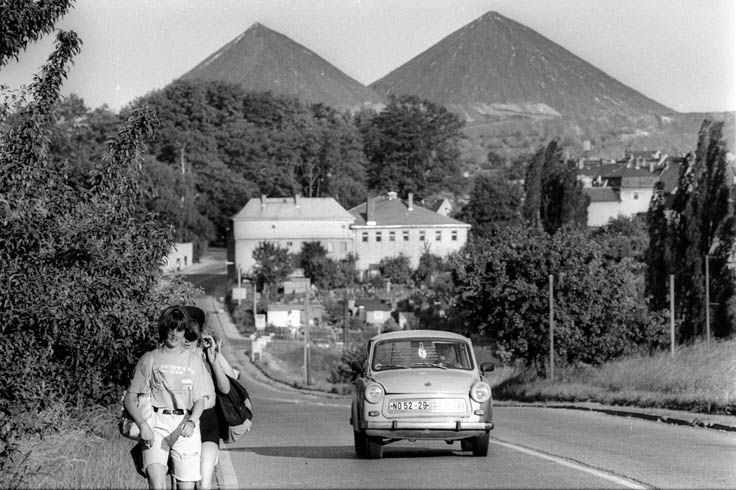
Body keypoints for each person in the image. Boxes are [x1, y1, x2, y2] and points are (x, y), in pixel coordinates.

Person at [124, 306, 214, 490]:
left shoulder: (194, 361)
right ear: (163, 328)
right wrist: (143, 425)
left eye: (179, 329)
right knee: (157, 485)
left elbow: (200, 399)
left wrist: (192, 421)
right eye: (171, 328)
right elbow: (130, 398)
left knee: (186, 486)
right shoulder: (150, 358)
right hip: (156, 423)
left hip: (185, 425)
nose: (174, 334)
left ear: (185, 331)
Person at [184, 306, 238, 490]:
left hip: (208, 420)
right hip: (181, 419)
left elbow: (226, 386)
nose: (187, 336)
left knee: (204, 481)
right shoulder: (171, 353)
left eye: (191, 329)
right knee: (184, 480)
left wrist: (215, 359)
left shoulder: (208, 352)